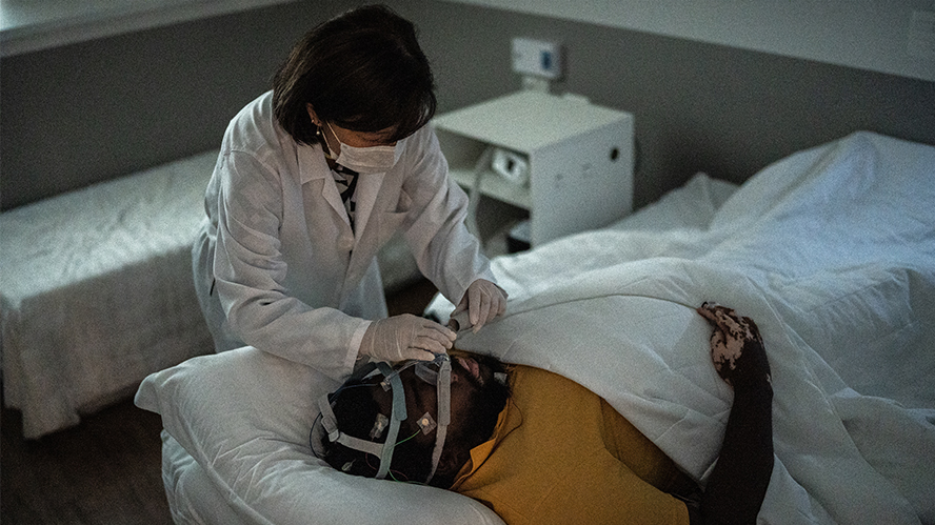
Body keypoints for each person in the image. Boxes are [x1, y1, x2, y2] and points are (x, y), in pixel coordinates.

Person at [192, 5, 506, 379]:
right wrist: (368, 336)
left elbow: (438, 218)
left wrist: (473, 277)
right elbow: (254, 303)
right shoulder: (255, 148)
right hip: (262, 298)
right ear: (315, 112)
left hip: (349, 275)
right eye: (373, 139)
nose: (390, 154)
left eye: (396, 139)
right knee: (276, 399)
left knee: (357, 391)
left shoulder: (403, 120)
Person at [316, 303, 774, 525]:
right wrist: (754, 385)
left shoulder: (473, 386)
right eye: (429, 399)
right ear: (450, 459)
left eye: (414, 371)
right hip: (719, 370)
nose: (444, 370)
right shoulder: (553, 493)